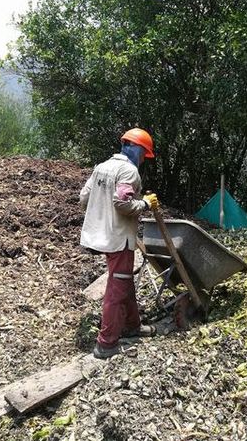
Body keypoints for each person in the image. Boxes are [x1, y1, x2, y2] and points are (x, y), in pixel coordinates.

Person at [80, 128, 159, 359]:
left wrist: (101, 217)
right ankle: (106, 344)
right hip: (120, 240)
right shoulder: (129, 171)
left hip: (103, 237)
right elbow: (121, 203)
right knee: (116, 290)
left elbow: (83, 198)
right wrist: (144, 204)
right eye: (144, 155)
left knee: (123, 281)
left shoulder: (101, 167)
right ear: (136, 149)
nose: (144, 160)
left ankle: (132, 326)